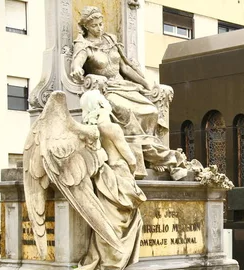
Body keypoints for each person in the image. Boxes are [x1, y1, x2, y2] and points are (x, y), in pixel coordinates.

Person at [70, 6, 179, 172]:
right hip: (106, 90)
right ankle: (138, 156)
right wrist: (77, 69)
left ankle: (152, 152)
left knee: (151, 110)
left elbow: (126, 69)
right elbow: (76, 64)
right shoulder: (84, 46)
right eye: (94, 26)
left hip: (125, 86)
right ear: (86, 27)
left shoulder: (111, 41)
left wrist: (146, 84)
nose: (99, 28)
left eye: (101, 24)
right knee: (127, 111)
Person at [72, 90, 147, 270]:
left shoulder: (90, 130)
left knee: (108, 226)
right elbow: (129, 157)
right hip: (119, 177)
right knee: (123, 226)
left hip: (104, 179)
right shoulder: (112, 128)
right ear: (102, 104)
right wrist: (132, 170)